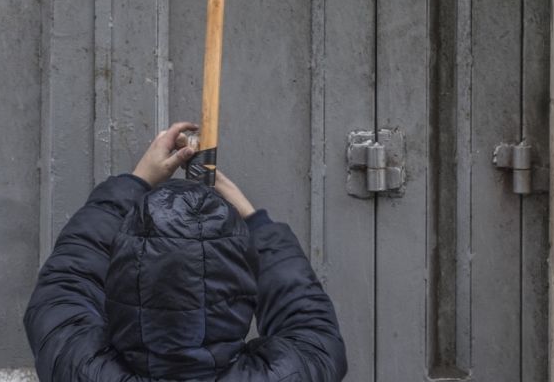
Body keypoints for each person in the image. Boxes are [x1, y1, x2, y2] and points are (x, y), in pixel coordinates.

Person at [24, 120, 347, 382]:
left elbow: (68, 279)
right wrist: (252, 219)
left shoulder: (78, 364)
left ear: (122, 275)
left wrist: (136, 182)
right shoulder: (291, 371)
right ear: (240, 285)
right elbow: (305, 313)